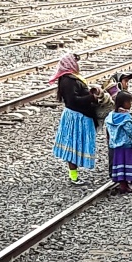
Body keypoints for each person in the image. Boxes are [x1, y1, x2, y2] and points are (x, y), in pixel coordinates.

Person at [51, 52, 100, 185]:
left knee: (74, 146)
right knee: (73, 146)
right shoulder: (68, 80)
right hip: (76, 118)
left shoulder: (70, 78)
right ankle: (73, 177)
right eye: (75, 62)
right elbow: (72, 101)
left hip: (78, 116)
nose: (77, 64)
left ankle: (74, 175)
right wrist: (91, 97)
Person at [105, 90, 132, 195]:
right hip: (126, 145)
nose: (130, 104)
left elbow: (108, 130)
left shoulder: (110, 116)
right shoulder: (125, 117)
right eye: (129, 102)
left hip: (115, 146)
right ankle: (126, 186)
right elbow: (131, 131)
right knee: (127, 164)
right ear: (123, 103)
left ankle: (122, 185)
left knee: (120, 165)